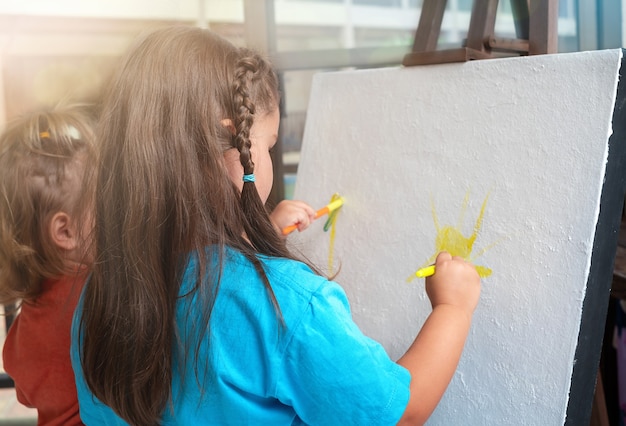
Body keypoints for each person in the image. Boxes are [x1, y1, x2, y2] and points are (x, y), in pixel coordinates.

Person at [71, 25, 481, 426]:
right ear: (236, 143)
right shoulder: (289, 306)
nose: (268, 158)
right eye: (268, 146)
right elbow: (399, 414)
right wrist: (453, 308)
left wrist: (252, 236)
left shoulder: (101, 296)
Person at [0, 103, 96, 425]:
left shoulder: (27, 318)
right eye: (105, 202)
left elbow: (25, 393)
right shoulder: (98, 293)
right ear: (65, 231)